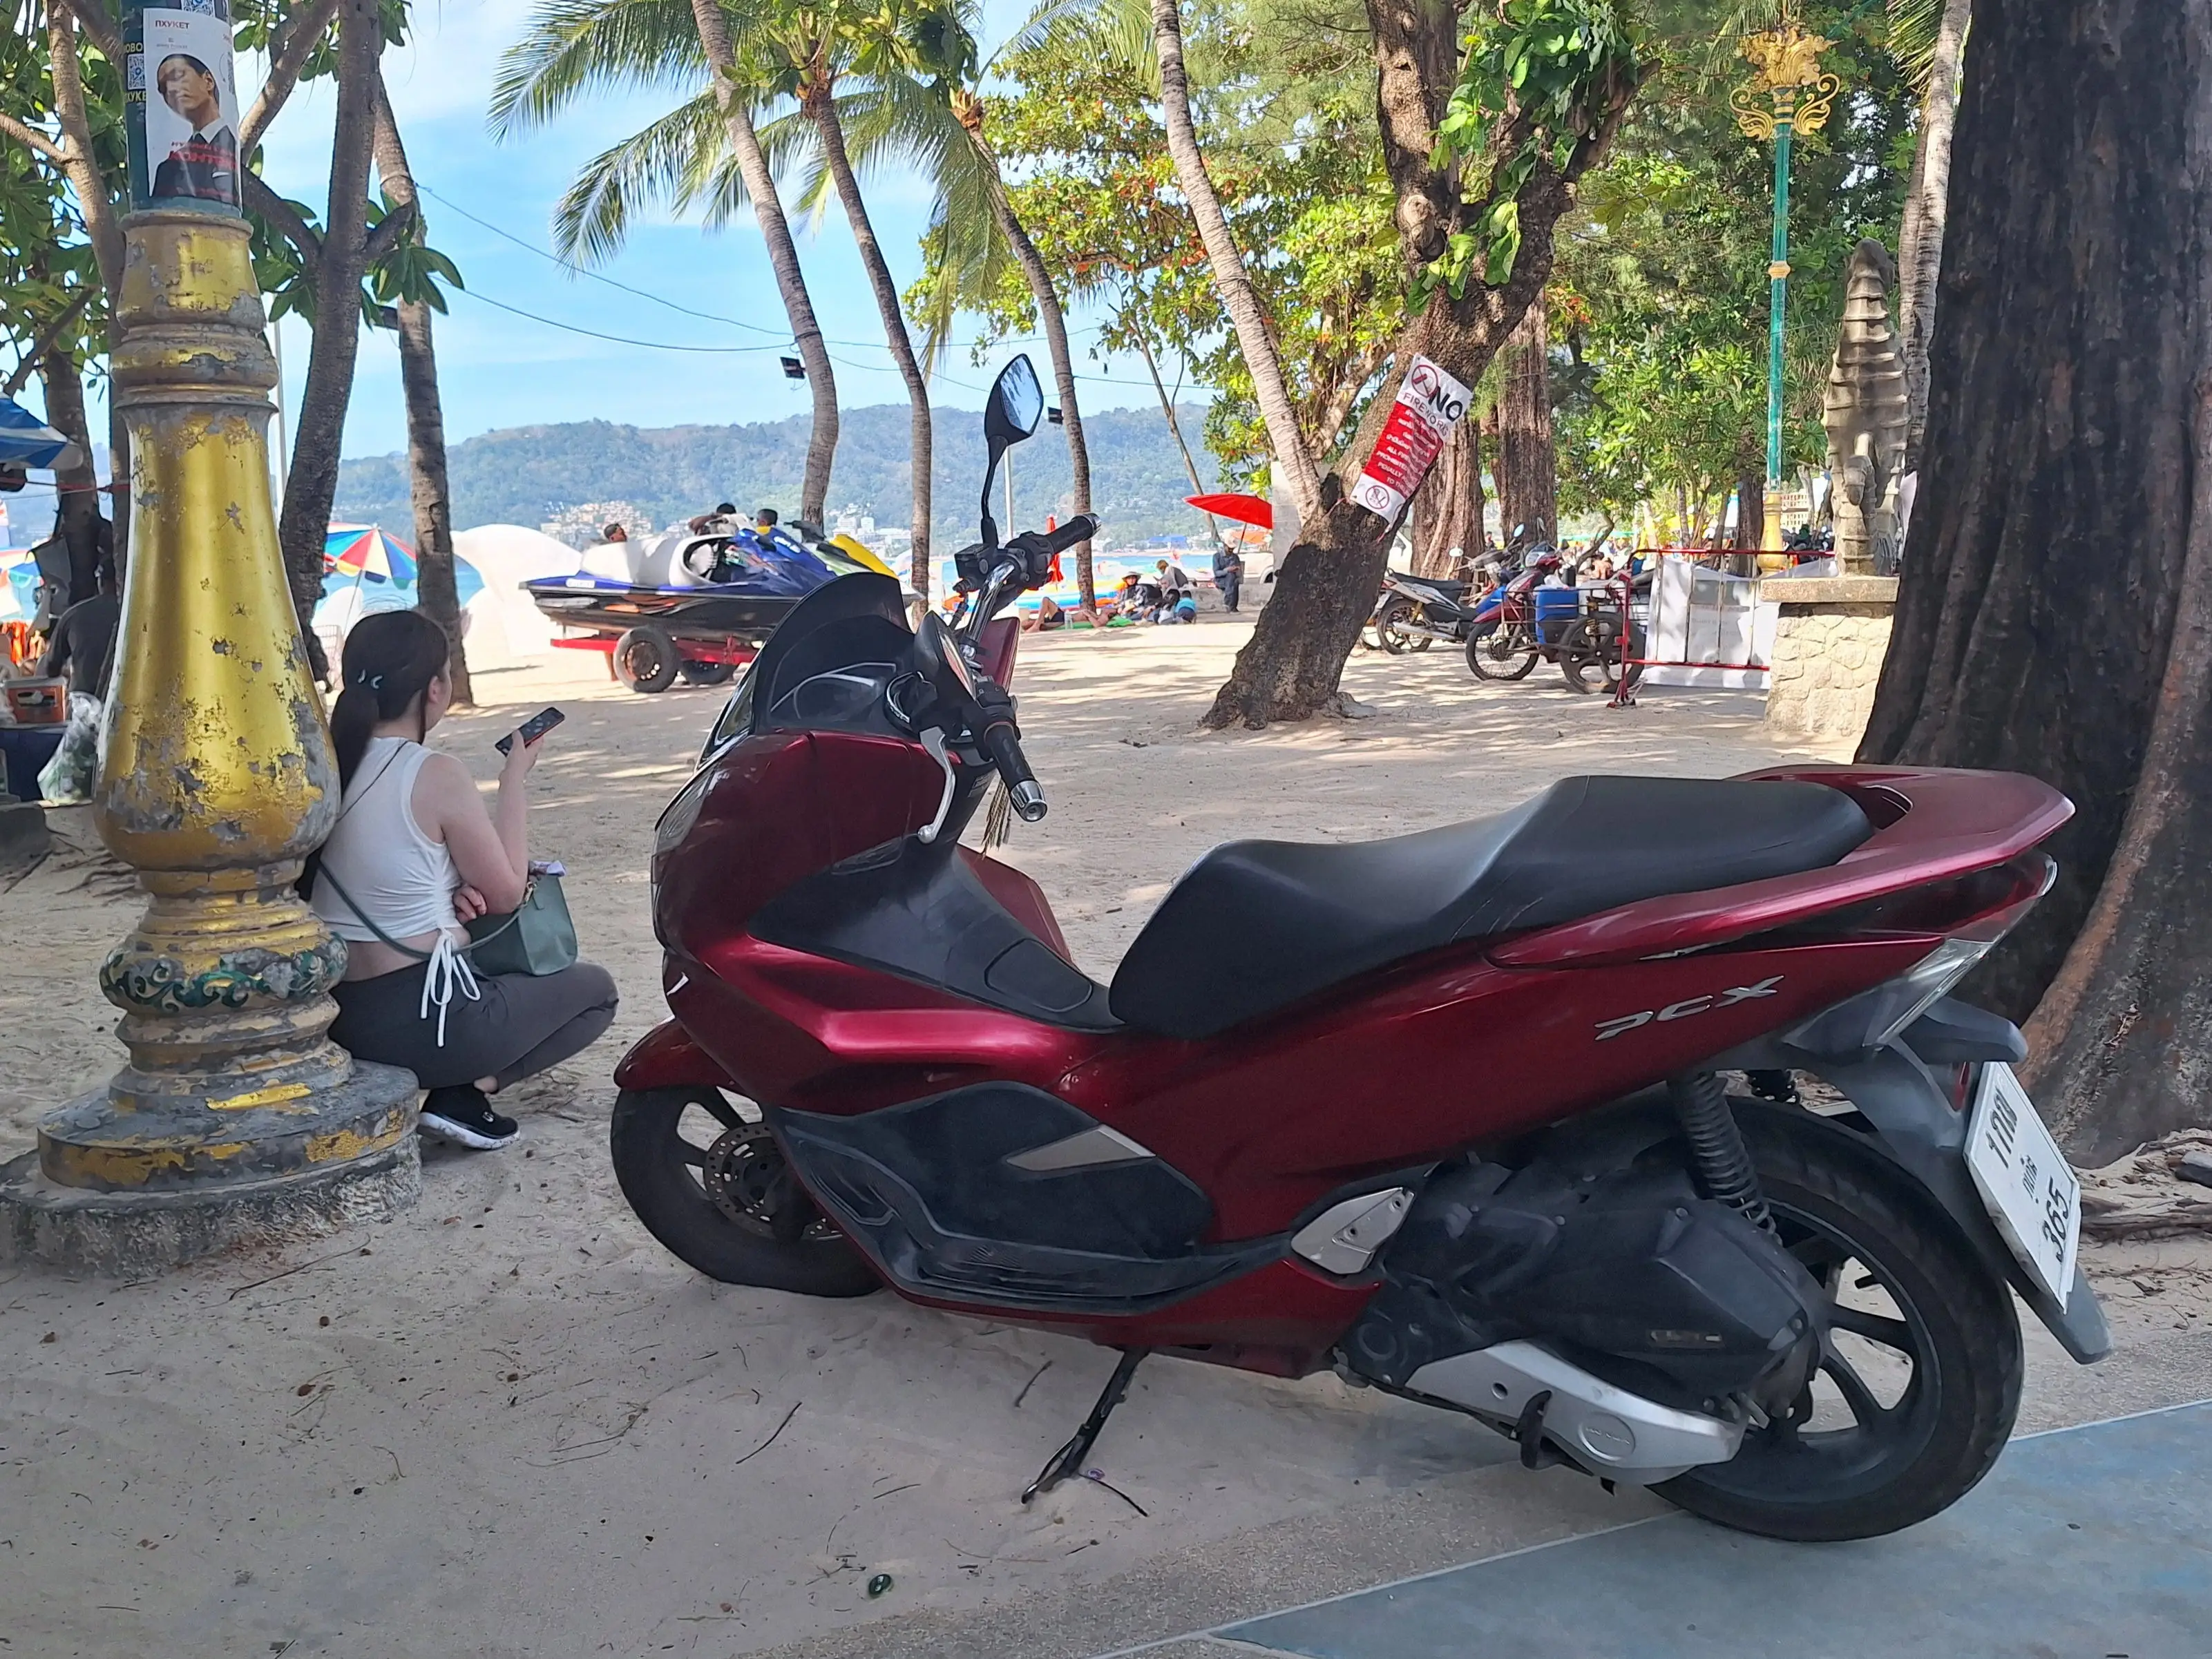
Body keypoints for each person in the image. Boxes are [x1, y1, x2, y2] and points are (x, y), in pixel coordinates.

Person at [312, 611, 619, 1151]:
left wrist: (449, 889)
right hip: (432, 1024)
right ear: (435, 688)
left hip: (338, 1020)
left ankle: (461, 1094)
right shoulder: (432, 771)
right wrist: (514, 780)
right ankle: (468, 1092)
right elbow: (507, 894)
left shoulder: (318, 768)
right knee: (597, 992)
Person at [150, 55, 238, 205]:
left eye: (178, 76)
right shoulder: (167, 169)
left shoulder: (235, 149)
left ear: (208, 81)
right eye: (163, 88)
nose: (171, 89)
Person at [40, 560, 120, 698]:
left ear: (100, 581)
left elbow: (51, 667)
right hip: (127, 695)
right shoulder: (136, 614)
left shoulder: (73, 614)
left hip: (84, 700)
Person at [1212, 539, 1244, 613]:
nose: (1231, 550)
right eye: (1229, 548)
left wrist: (1236, 569)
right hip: (1220, 580)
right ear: (1225, 546)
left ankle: (1230, 605)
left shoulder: (1235, 557)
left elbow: (1239, 572)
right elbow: (1216, 573)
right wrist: (1227, 570)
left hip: (1232, 579)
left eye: (1232, 549)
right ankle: (1231, 605)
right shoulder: (1217, 557)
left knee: (1233, 580)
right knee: (1231, 578)